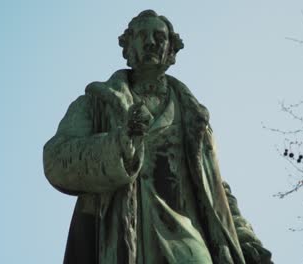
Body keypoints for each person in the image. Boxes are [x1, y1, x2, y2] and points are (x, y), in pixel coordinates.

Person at [43, 9, 273, 264]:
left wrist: (245, 238)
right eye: (142, 35)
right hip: (121, 241)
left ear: (171, 50)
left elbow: (216, 189)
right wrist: (120, 142)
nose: (151, 42)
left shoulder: (193, 117)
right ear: (127, 47)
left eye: (159, 37)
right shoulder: (97, 104)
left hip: (189, 245)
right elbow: (57, 158)